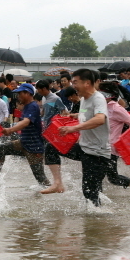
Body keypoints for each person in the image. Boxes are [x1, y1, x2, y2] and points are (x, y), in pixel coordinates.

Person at [44, 69, 111, 205]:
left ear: (86, 83)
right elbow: (88, 115)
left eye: (75, 82)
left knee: (90, 192)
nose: (72, 85)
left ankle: (97, 221)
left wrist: (73, 128)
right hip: (84, 148)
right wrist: (75, 116)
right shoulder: (83, 99)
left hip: (97, 153)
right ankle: (58, 184)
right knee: (51, 147)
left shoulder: (98, 98)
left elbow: (99, 119)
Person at [0, 83, 50, 186]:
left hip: (34, 147)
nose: (18, 96)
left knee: (40, 178)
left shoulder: (33, 106)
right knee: (1, 148)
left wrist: (10, 130)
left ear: (28, 93)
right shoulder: (27, 106)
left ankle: (56, 191)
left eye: (20, 94)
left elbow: (25, 122)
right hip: (23, 143)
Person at [98, 81, 130, 196]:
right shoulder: (100, 107)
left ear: (107, 95)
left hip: (110, 148)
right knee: (106, 176)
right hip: (99, 146)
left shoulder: (116, 108)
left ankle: (97, 201)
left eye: (99, 92)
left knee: (108, 177)